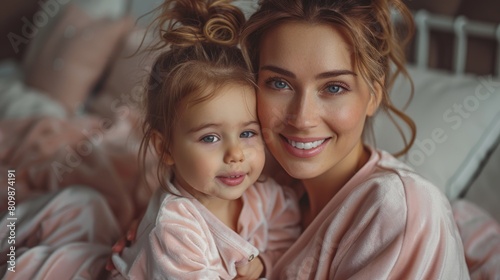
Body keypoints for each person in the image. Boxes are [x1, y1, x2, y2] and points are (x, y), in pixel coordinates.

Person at [109, 0, 301, 279]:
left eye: (247, 133)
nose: (235, 153)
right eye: (210, 138)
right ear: (165, 148)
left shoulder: (267, 198)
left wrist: (265, 264)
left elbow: (288, 241)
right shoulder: (175, 228)